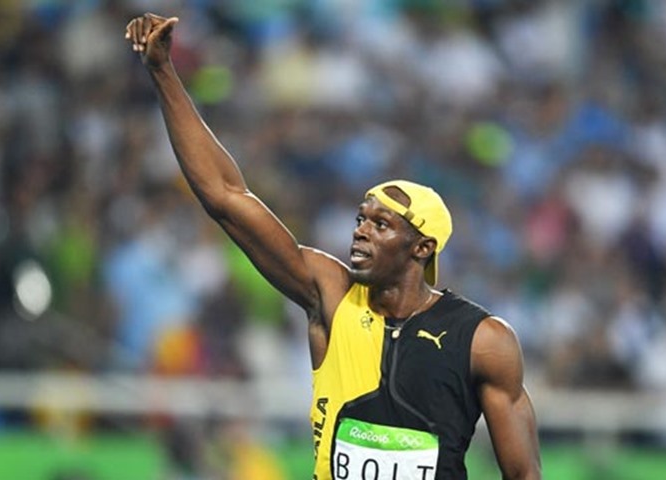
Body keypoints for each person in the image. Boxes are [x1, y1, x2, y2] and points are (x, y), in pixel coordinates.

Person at [125, 13, 541, 480]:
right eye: (361, 218)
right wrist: (163, 72)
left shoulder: (484, 341)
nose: (361, 230)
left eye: (382, 224)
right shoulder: (331, 294)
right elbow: (225, 197)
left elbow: (524, 474)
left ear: (422, 247)